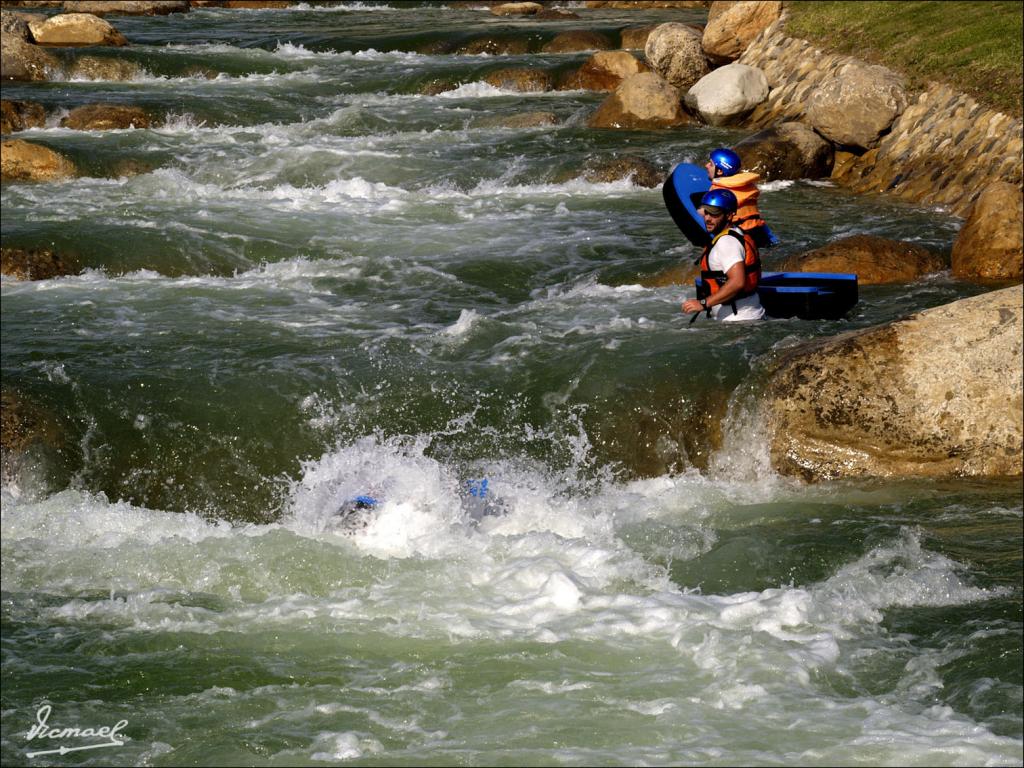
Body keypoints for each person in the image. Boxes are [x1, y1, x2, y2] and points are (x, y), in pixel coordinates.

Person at [681, 189, 765, 322]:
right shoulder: (735, 232)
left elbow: (737, 282)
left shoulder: (727, 242)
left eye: (714, 214)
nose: (708, 218)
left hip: (738, 320)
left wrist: (703, 303)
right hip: (745, 316)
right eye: (706, 212)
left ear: (729, 215)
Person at [705, 147, 776, 248]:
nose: (706, 165)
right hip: (759, 233)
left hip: (737, 237)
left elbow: (712, 217)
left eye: (711, 164)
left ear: (720, 171)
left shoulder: (718, 191)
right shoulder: (748, 185)